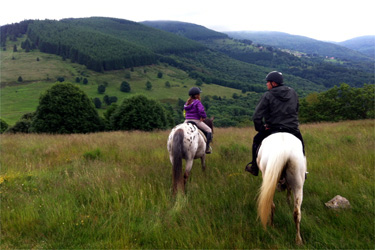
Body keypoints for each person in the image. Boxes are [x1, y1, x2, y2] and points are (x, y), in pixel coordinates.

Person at [245, 71, 305, 176]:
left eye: (268, 82)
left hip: (274, 129)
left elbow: (256, 116)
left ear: (274, 83)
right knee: (301, 145)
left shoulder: (268, 95)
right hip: (292, 129)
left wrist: (261, 128)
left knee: (256, 140)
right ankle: (303, 172)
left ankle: (254, 167)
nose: (266, 84)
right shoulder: (292, 92)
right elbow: (296, 108)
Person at [184, 87, 212, 154]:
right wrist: (203, 116)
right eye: (199, 94)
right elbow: (201, 111)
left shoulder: (187, 103)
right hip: (196, 120)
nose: (199, 95)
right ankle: (207, 148)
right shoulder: (197, 102)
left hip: (186, 121)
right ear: (196, 95)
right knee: (209, 130)